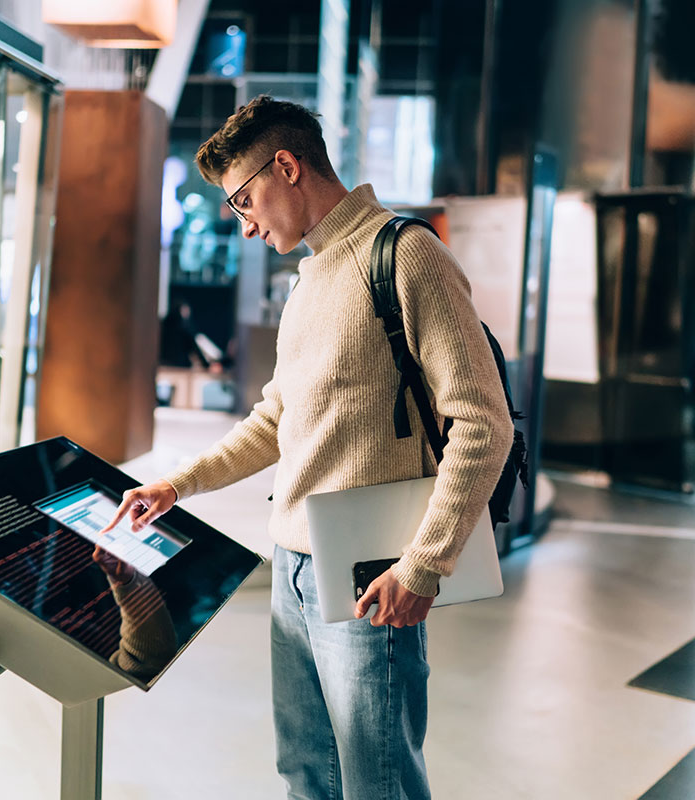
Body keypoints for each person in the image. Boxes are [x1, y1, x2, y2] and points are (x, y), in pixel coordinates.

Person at [105, 95, 511, 798]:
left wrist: (424, 565)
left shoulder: (406, 255)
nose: (245, 224)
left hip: (369, 574)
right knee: (305, 776)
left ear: (286, 166)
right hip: (291, 568)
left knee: (376, 781)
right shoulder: (310, 277)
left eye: (243, 200)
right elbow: (276, 419)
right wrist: (178, 484)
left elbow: (482, 423)